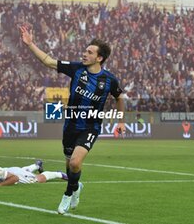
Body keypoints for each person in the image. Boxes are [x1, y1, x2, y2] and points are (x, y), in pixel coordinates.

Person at [20, 25, 126, 214]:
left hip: (91, 126)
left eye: (89, 52)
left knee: (76, 163)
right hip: (71, 125)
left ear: (99, 58)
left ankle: (68, 193)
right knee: (70, 165)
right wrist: (30, 44)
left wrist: (120, 121)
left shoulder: (109, 80)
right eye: (85, 50)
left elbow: (119, 97)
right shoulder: (77, 69)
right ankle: (76, 186)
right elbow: (49, 61)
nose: (84, 54)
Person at [0, 160, 68, 186]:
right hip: (8, 171)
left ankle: (58, 174)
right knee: (22, 171)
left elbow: (15, 178)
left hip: (13, 174)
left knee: (36, 179)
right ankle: (36, 165)